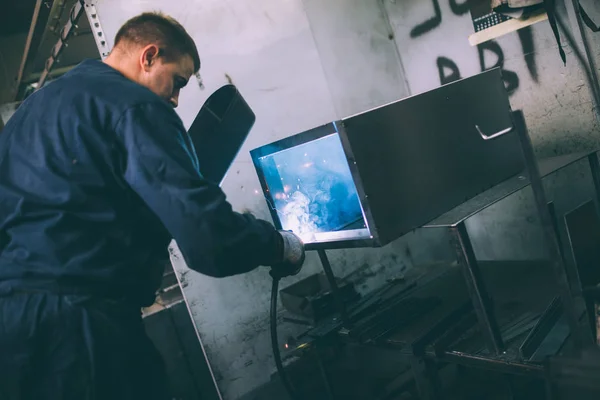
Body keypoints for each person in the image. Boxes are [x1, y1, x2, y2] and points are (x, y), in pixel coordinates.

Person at [0, 12, 305, 400]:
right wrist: (278, 245)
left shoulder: (32, 112)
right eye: (177, 81)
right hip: (82, 330)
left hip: (12, 334)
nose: (176, 100)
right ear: (149, 56)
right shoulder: (135, 106)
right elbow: (209, 241)